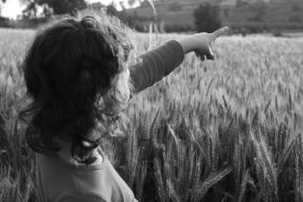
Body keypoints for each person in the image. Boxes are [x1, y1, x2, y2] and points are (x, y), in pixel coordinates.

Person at [20, 13, 228, 202]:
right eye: (124, 72)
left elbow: (144, 69)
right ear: (102, 98)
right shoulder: (84, 195)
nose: (130, 74)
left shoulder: (54, 132)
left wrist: (192, 42)